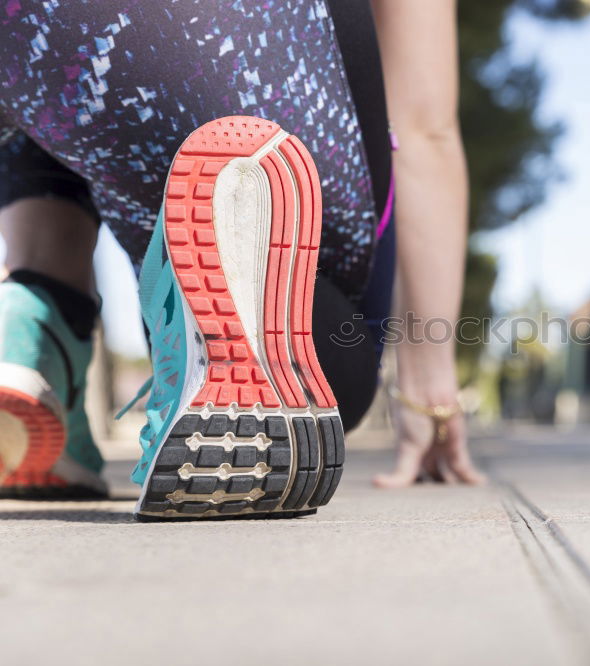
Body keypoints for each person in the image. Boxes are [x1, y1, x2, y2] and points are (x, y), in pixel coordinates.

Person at [0, 0, 482, 519]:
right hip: (252, 46)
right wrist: (431, 387)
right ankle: (241, 248)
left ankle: (34, 316)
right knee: (332, 363)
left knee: (47, 70)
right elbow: (424, 127)